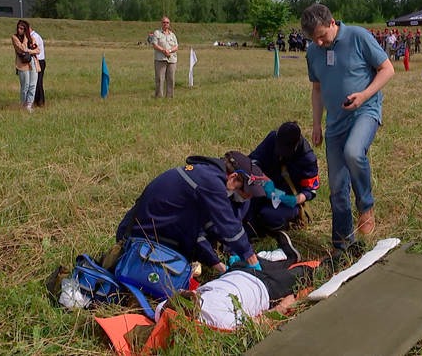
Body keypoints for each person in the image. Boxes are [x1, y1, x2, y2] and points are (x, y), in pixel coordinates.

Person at [301, 4, 395, 253]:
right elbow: (317, 88)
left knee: (353, 152)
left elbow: (387, 69)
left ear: (332, 22)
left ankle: (366, 205)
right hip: (335, 122)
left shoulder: (358, 36)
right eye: (314, 39)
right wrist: (316, 124)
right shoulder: (313, 51)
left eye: (322, 35)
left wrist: (364, 96)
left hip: (365, 110)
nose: (319, 43)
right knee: (337, 186)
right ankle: (342, 245)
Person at [116, 151, 268, 274]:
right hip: (138, 242)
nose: (239, 196)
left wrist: (220, 267)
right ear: (233, 176)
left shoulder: (204, 174)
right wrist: (251, 258)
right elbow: (228, 226)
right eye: (240, 190)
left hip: (145, 233)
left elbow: (197, 231)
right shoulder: (211, 182)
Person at [153, 231, 311, 330]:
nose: (195, 292)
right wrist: (284, 306)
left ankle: (288, 256)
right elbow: (260, 323)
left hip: (234, 273)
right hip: (265, 289)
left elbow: (163, 311)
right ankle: (333, 260)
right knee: (305, 274)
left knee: (257, 262)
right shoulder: (220, 320)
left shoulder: (164, 310)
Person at [245, 121, 320, 236]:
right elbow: (252, 162)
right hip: (263, 188)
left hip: (287, 198)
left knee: (269, 215)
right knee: (244, 196)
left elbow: (311, 190)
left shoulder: (307, 159)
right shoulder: (272, 138)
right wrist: (265, 180)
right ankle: (249, 231)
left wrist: (296, 199)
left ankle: (276, 229)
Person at [11, 20, 41, 113]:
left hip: (33, 62)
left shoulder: (32, 38)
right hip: (22, 64)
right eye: (18, 28)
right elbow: (22, 48)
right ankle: (24, 104)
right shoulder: (15, 37)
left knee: (33, 85)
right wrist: (25, 39)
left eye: (22, 28)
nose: (19, 30)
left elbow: (38, 50)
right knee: (25, 86)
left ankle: (29, 104)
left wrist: (29, 51)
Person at [152, 16, 179, 98]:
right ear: (161, 23)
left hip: (172, 60)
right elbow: (155, 44)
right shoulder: (157, 33)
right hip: (160, 59)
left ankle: (170, 97)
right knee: (160, 79)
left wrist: (169, 51)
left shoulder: (172, 35)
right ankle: (159, 96)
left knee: (171, 79)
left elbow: (176, 46)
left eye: (167, 22)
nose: (165, 24)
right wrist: (164, 51)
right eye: (164, 22)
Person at [28, 22, 46, 108]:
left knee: (38, 82)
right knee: (36, 82)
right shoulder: (35, 35)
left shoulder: (34, 37)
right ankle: (37, 101)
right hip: (38, 60)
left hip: (39, 61)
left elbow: (35, 49)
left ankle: (40, 101)